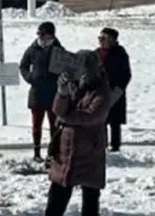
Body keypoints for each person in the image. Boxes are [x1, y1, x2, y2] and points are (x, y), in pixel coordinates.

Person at [45, 50, 117, 216]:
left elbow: (92, 116)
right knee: (58, 193)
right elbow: (58, 110)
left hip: (90, 150)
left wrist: (65, 118)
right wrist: (62, 92)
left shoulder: (102, 90)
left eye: (82, 69)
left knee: (90, 198)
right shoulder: (72, 85)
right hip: (65, 149)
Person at [20, 21, 63, 161]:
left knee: (54, 125)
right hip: (37, 93)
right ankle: (36, 152)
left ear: (51, 35)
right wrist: (30, 78)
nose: (41, 37)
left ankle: (53, 152)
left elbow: (66, 67)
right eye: (39, 34)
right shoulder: (33, 48)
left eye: (43, 34)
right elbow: (23, 65)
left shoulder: (58, 49)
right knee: (36, 125)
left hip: (53, 93)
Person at [97, 27, 130, 152]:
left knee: (114, 121)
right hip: (100, 92)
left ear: (112, 40)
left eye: (103, 39)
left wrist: (118, 89)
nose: (101, 41)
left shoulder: (120, 54)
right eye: (99, 38)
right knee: (100, 120)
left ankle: (115, 146)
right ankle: (102, 145)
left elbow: (126, 75)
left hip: (116, 92)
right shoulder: (96, 53)